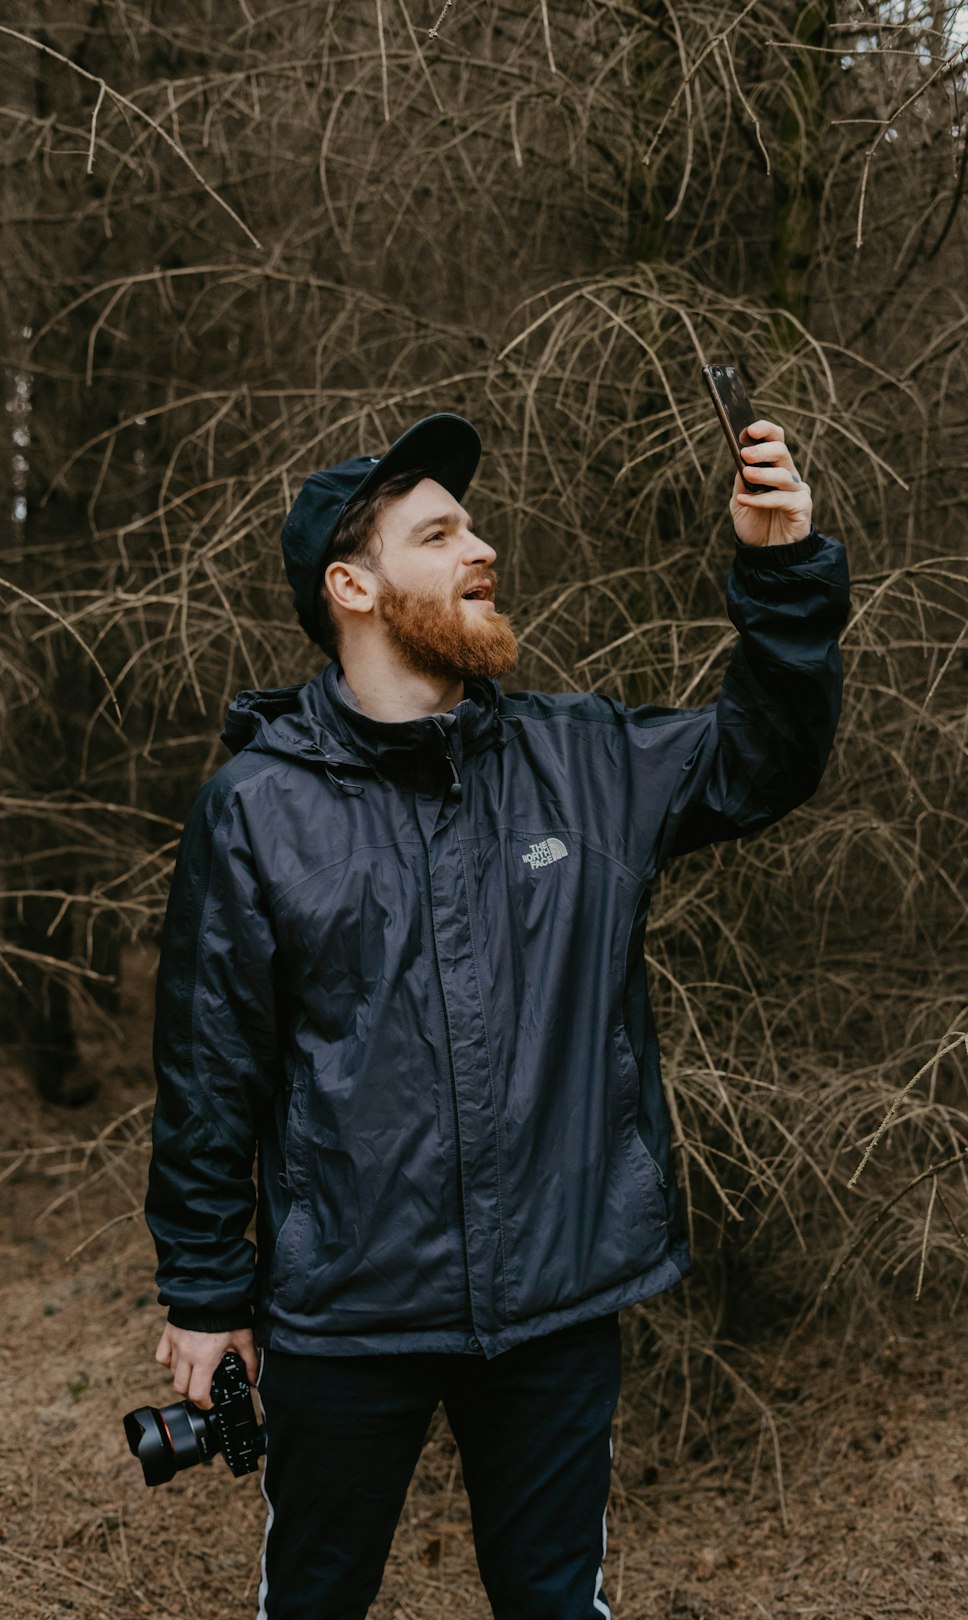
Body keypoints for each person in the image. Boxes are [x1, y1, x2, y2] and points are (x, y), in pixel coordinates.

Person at [145, 411, 849, 1619]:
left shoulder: (584, 762)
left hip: (555, 1302)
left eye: (473, 525)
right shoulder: (257, 808)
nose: (484, 548)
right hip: (347, 1313)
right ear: (351, 585)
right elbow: (214, 1068)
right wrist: (207, 1296)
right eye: (441, 532)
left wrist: (781, 571)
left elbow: (761, 759)